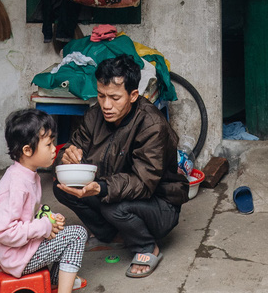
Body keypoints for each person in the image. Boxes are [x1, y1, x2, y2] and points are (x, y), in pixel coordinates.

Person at [53, 54, 188, 278]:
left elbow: (143, 183)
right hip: (115, 190)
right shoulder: (94, 115)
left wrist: (101, 188)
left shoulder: (151, 125)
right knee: (62, 186)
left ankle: (146, 245)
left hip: (159, 204)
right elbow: (73, 147)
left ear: (133, 95)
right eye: (101, 95)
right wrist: (66, 157)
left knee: (113, 206)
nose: (106, 105)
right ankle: (111, 234)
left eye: (115, 98)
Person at [0, 108, 100, 293]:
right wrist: (42, 227)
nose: (54, 150)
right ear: (28, 150)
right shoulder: (16, 185)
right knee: (77, 234)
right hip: (18, 257)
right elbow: (4, 232)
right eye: (49, 145)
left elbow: (27, 216)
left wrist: (48, 219)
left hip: (24, 248)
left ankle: (58, 281)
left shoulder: (27, 174)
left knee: (63, 230)